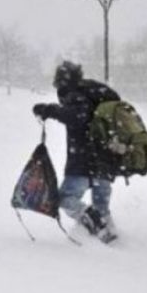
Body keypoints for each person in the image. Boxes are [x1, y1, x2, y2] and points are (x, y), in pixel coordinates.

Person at [32, 61, 120, 243]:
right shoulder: (95, 93)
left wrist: (49, 110)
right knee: (102, 206)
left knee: (65, 198)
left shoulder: (77, 94)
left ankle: (97, 225)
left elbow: (78, 117)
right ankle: (113, 241)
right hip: (107, 161)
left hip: (84, 161)